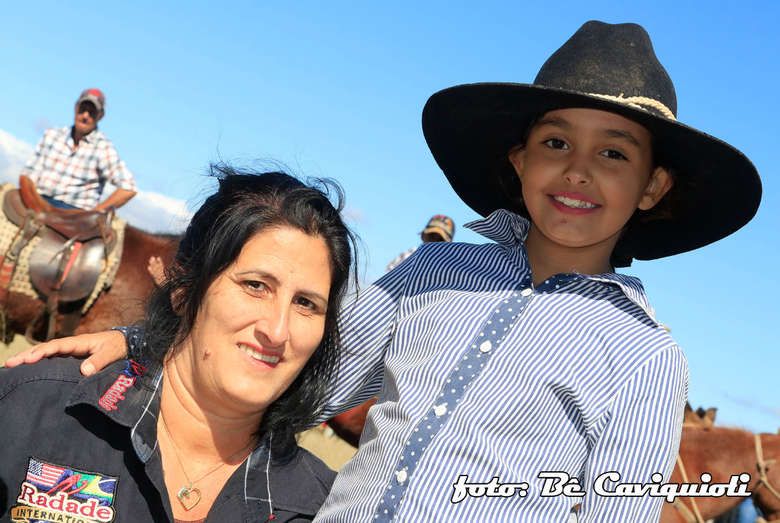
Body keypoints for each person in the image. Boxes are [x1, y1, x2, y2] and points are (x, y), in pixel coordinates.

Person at [9, 21, 763, 522]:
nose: (578, 170)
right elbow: (302, 367)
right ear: (518, 158)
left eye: (614, 152)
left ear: (652, 186)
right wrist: (143, 344)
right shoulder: (435, 270)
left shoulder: (644, 357)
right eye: (556, 142)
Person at [0, 165, 357, 522]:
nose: (278, 331)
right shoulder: (30, 407)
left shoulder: (323, 509)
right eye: (255, 285)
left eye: (306, 303)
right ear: (183, 290)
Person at [20, 88, 137, 211]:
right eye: (82, 109)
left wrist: (95, 213)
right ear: (76, 108)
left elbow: (128, 188)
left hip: (73, 211)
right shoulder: (52, 135)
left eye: (92, 112)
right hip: (39, 200)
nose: (85, 116)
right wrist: (34, 203)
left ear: (100, 116)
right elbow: (28, 174)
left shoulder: (103, 149)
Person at [385, 214, 454, 272]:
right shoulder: (409, 254)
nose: (434, 241)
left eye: (439, 239)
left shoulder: (449, 265)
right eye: (431, 236)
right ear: (423, 236)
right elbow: (389, 271)